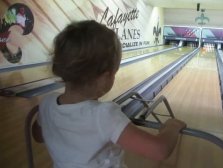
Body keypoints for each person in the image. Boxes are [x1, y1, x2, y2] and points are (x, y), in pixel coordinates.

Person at [34, 20, 186, 168]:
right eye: (114, 72)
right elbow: (159, 150)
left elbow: (38, 135)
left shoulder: (47, 104)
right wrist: (172, 127)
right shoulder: (103, 115)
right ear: (105, 78)